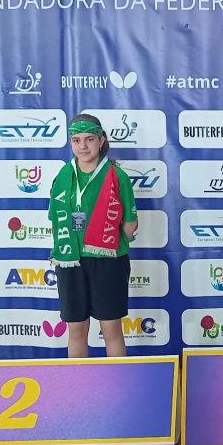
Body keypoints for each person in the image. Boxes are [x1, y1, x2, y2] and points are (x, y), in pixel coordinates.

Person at [48, 113, 138, 358]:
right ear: (71, 142)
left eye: (89, 139)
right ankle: (79, 381)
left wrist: (105, 242)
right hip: (70, 260)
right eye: (76, 140)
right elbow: (55, 222)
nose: (83, 146)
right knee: (76, 329)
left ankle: (118, 379)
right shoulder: (62, 177)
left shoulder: (117, 176)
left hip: (108, 261)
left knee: (111, 328)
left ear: (101, 141)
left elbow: (130, 224)